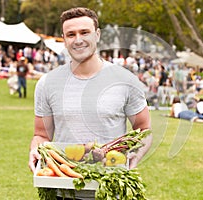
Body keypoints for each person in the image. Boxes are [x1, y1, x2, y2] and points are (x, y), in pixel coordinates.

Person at [28, 7, 152, 200]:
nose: (78, 39)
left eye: (84, 32)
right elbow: (41, 134)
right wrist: (36, 150)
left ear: (97, 34)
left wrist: (136, 153)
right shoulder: (47, 83)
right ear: (64, 39)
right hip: (62, 189)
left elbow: (143, 129)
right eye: (71, 34)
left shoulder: (125, 80)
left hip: (110, 190)